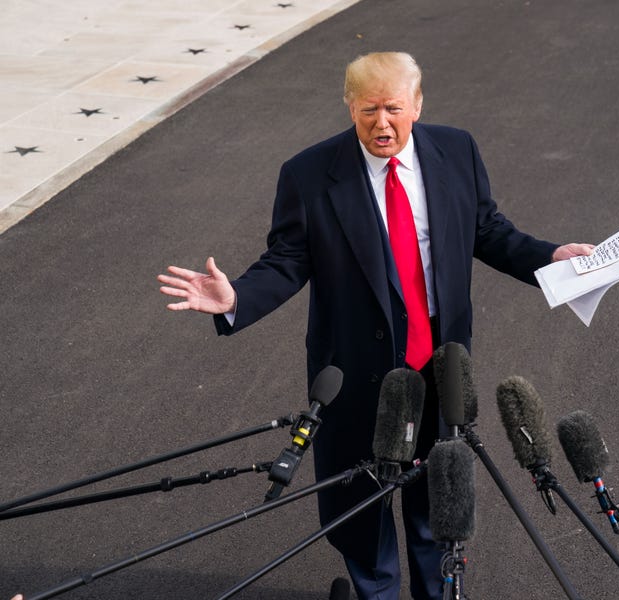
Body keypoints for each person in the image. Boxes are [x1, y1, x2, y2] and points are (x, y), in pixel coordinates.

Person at [158, 51, 592, 599]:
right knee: (361, 520)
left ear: (417, 105)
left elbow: (488, 229)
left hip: (439, 370)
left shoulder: (456, 151)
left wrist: (551, 257)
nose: (381, 123)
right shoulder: (310, 174)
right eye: (367, 110)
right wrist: (235, 296)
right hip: (357, 377)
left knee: (436, 515)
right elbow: (288, 260)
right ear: (349, 105)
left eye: (393, 108)